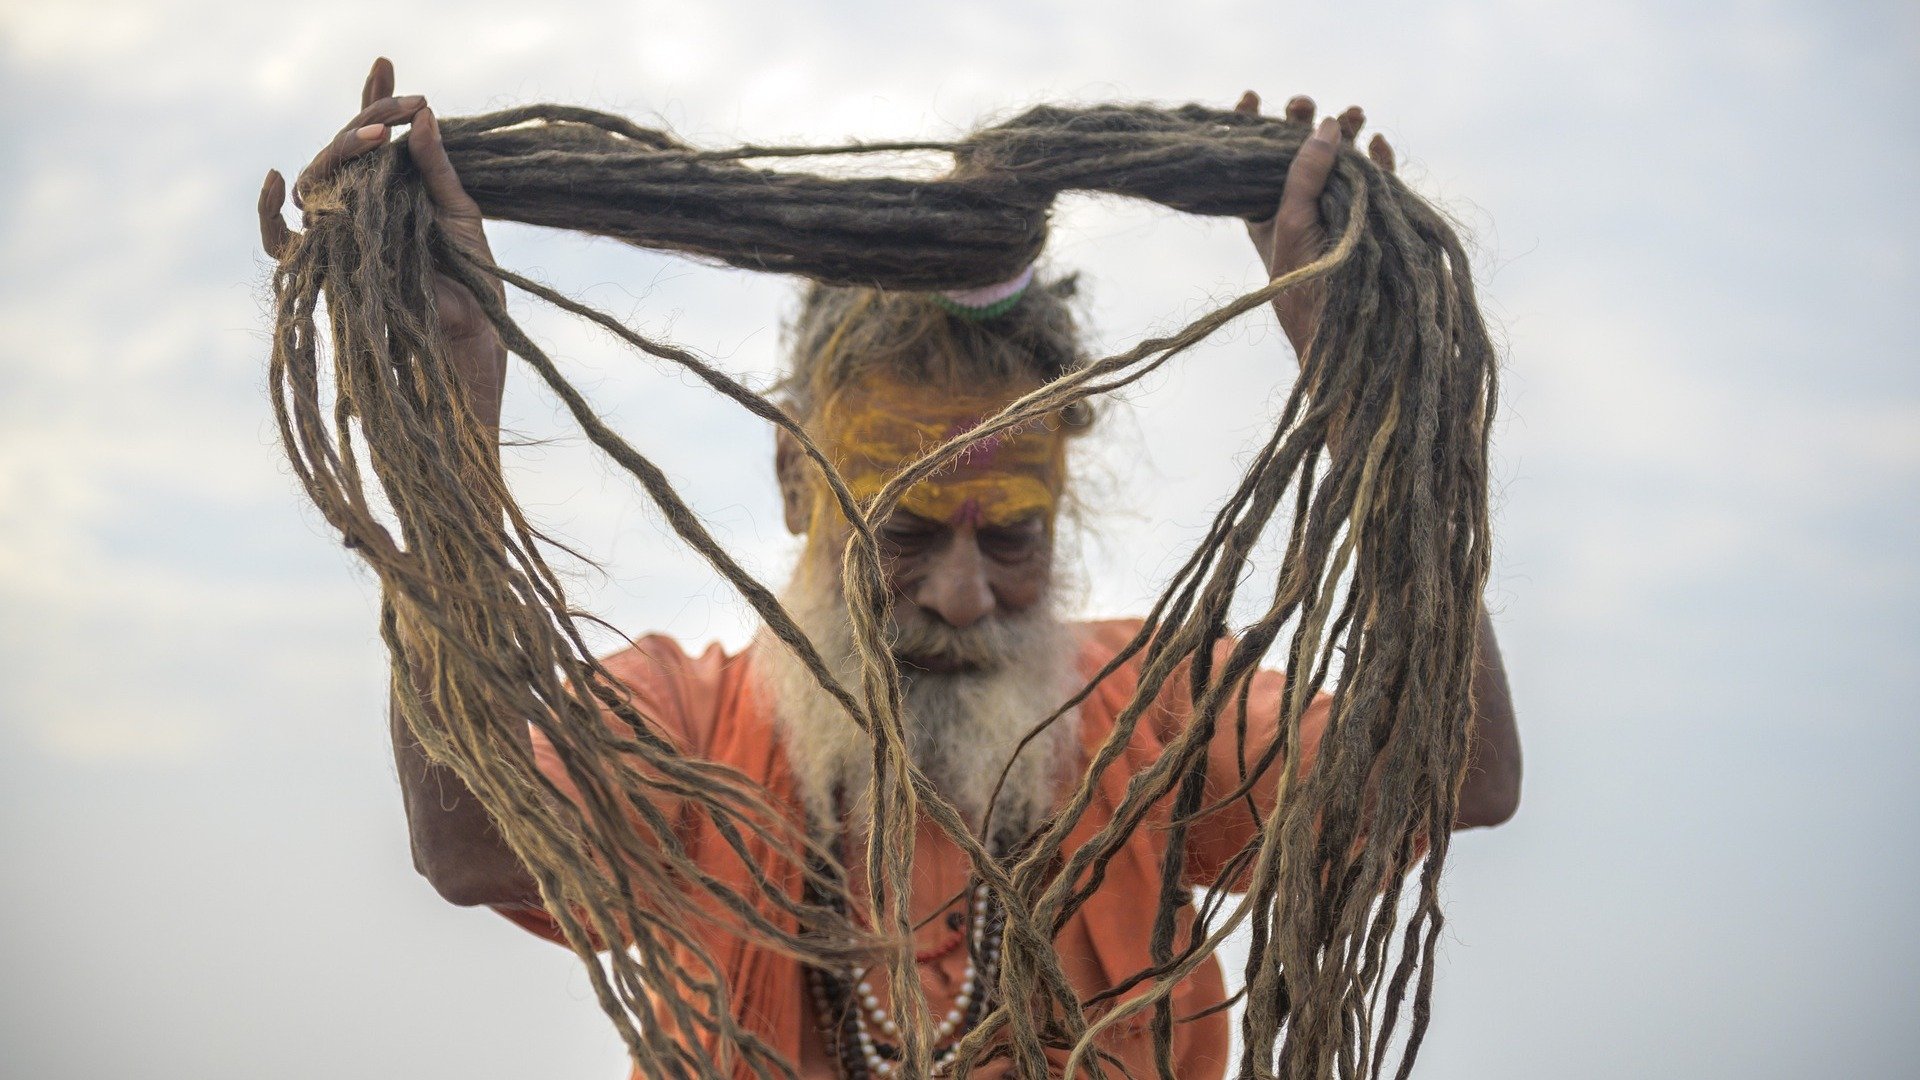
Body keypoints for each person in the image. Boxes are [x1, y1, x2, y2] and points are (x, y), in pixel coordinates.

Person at [259, 57, 1521, 1080]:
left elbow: (1458, 773)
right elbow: (475, 848)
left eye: (1011, 538)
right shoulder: (686, 726)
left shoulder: (1156, 717)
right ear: (796, 479)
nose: (962, 596)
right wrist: (448, 428)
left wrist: (1375, 402)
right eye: (904, 533)